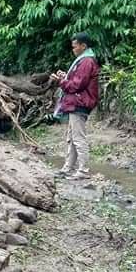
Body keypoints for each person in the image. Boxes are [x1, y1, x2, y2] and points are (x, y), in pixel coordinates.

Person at [51, 32, 100, 179]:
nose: (73, 49)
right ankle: (68, 167)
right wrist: (65, 77)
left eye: (75, 46)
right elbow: (77, 81)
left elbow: (77, 85)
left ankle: (83, 171)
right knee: (72, 137)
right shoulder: (84, 61)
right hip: (78, 103)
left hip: (79, 103)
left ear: (83, 46)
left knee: (78, 138)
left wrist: (61, 81)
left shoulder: (86, 62)